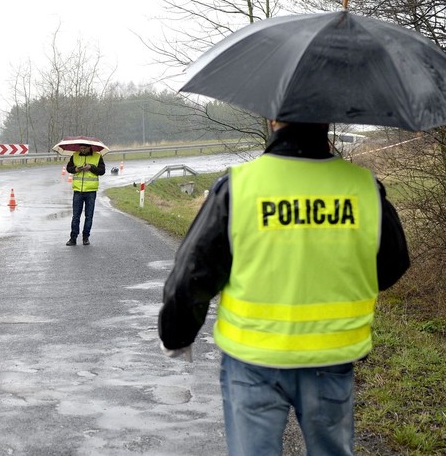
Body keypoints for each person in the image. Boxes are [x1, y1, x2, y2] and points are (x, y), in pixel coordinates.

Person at [158, 121, 410, 455]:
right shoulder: (363, 188)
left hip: (252, 359)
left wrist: (177, 335)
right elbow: (392, 264)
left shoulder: (239, 187)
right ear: (327, 122)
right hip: (331, 357)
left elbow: (193, 273)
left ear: (275, 121)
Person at [65, 143, 105, 246]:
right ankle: (73, 238)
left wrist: (91, 167)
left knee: (89, 215)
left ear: (89, 147)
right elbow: (68, 168)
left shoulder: (97, 156)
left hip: (91, 191)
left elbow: (102, 171)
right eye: (81, 148)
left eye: (84, 148)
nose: (82, 150)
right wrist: (76, 169)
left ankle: (86, 237)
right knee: (76, 216)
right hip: (78, 190)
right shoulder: (75, 155)